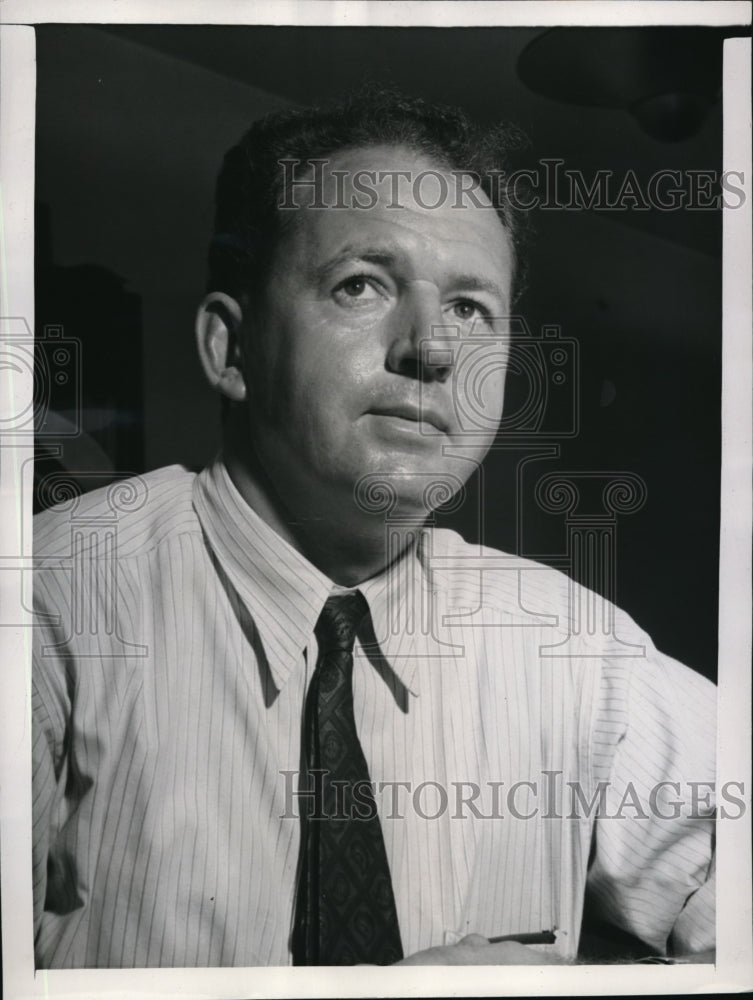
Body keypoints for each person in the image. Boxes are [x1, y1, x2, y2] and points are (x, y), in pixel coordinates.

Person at [31, 88, 715, 968]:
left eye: (471, 309)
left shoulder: (574, 646)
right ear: (229, 350)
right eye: (362, 285)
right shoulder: (47, 606)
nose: (431, 348)